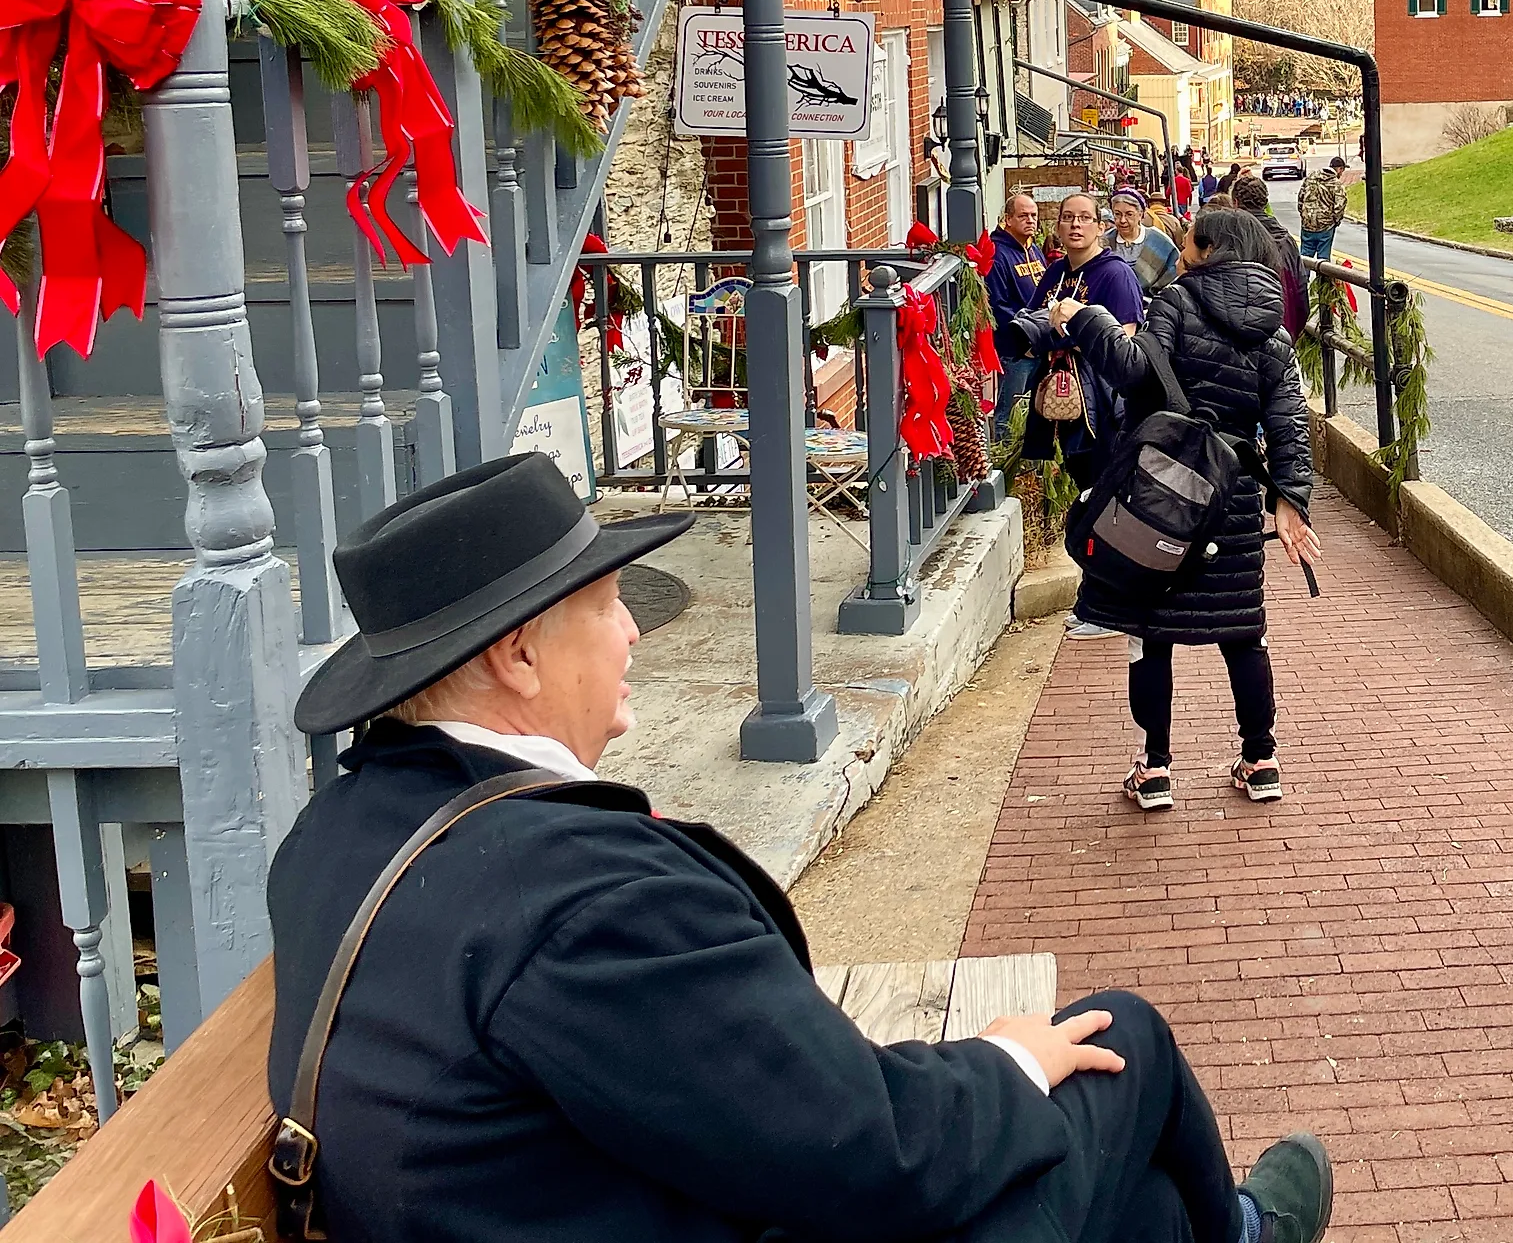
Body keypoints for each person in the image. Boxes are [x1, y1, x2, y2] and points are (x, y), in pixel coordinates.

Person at [265, 453, 1337, 1243]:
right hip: (788, 1200)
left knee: (1144, 1213)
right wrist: (1011, 1057)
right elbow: (865, 1149)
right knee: (1126, 1041)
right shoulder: (581, 905)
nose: (635, 632)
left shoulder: (337, 838)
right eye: (607, 606)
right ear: (517, 657)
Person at [1048, 208, 1320, 810]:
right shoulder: (1274, 333)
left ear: (1212, 247)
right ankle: (1261, 759)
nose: (1183, 243)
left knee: (1151, 634)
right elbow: (1288, 424)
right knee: (1244, 633)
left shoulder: (1176, 302)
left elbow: (1132, 370)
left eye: (1192, 236)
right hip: (1233, 501)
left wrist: (1086, 321)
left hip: (1163, 497)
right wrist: (1290, 499)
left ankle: (1155, 770)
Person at [1001, 190, 1144, 483]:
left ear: (1101, 227)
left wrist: (1068, 336)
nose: (1075, 225)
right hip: (1058, 394)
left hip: (1102, 400)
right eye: (1068, 218)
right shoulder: (1055, 272)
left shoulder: (1115, 274)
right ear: (1058, 228)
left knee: (1099, 479)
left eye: (1084, 218)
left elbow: (1125, 339)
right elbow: (1031, 324)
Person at [986, 188, 1049, 428]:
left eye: (1034, 215)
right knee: (1009, 413)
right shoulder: (998, 254)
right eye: (1023, 216)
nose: (1030, 220)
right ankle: (1005, 458)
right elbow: (997, 305)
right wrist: (1026, 341)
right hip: (1016, 351)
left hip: (1040, 345)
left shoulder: (1033, 250)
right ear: (1008, 220)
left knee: (1035, 411)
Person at [1223, 172, 1307, 338]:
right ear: (1265, 203)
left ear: (1236, 203)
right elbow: (1301, 288)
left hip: (1243, 335)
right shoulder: (1286, 240)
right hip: (1283, 328)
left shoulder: (1231, 239)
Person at [1108, 184, 1180, 295]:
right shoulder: (1104, 242)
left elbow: (1175, 275)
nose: (1122, 220)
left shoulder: (1159, 242)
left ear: (1141, 215)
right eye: (1117, 214)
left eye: (1129, 214)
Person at [1296, 158, 1348, 263]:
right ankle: (1322, 279)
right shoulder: (1336, 184)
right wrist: (1335, 221)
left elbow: (1300, 198)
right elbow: (1340, 205)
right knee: (1323, 258)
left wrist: (1304, 215)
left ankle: (1303, 278)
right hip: (1326, 226)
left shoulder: (1310, 178)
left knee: (1305, 255)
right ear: (1340, 169)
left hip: (1308, 224)